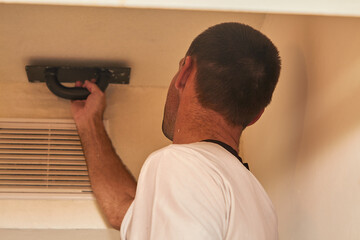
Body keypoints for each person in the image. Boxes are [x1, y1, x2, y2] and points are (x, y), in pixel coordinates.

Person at [71, 22, 281, 239]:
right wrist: (90, 122)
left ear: (185, 72)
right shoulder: (258, 201)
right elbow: (124, 210)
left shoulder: (183, 163)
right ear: (257, 115)